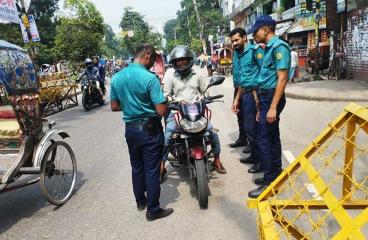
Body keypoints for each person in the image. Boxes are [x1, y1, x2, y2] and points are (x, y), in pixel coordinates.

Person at [110, 44, 174, 221]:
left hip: (131, 130)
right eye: (154, 59)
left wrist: (131, 105)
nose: (154, 63)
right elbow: (161, 111)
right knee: (152, 170)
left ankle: (140, 201)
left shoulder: (117, 77)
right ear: (147, 55)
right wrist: (161, 103)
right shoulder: (149, 78)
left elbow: (114, 106)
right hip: (149, 129)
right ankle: (153, 210)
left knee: (137, 167)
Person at [161, 45, 226, 181]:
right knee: (168, 136)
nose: (181, 63)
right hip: (177, 111)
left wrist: (205, 97)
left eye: (183, 60)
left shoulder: (198, 74)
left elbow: (205, 90)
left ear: (189, 60)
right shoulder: (170, 75)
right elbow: (166, 94)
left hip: (197, 110)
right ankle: (161, 165)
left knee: (212, 132)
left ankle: (217, 160)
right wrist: (173, 101)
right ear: (174, 62)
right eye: (178, 61)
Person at [247, 15, 290, 198]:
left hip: (272, 97)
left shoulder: (279, 47)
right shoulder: (266, 49)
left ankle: (269, 180)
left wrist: (272, 107)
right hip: (266, 98)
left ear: (265, 30)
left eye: (255, 31)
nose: (253, 36)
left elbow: (282, 78)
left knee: (262, 138)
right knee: (272, 136)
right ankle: (276, 172)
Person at [230, 28, 264, 174]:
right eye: (232, 41)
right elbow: (241, 78)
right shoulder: (236, 54)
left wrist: (259, 96)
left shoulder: (255, 51)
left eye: (236, 40)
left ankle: (261, 161)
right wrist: (236, 98)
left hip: (253, 93)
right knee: (245, 123)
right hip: (241, 91)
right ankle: (254, 155)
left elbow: (265, 70)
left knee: (252, 127)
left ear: (244, 38)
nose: (234, 43)